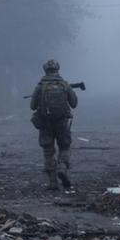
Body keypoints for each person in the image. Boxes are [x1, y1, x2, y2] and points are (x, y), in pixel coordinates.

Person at [30, 58, 77, 191]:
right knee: (65, 147)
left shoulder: (40, 86)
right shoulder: (65, 85)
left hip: (45, 124)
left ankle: (53, 183)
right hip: (62, 122)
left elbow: (32, 106)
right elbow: (74, 103)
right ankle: (62, 167)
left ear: (45, 70)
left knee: (48, 151)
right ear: (58, 69)